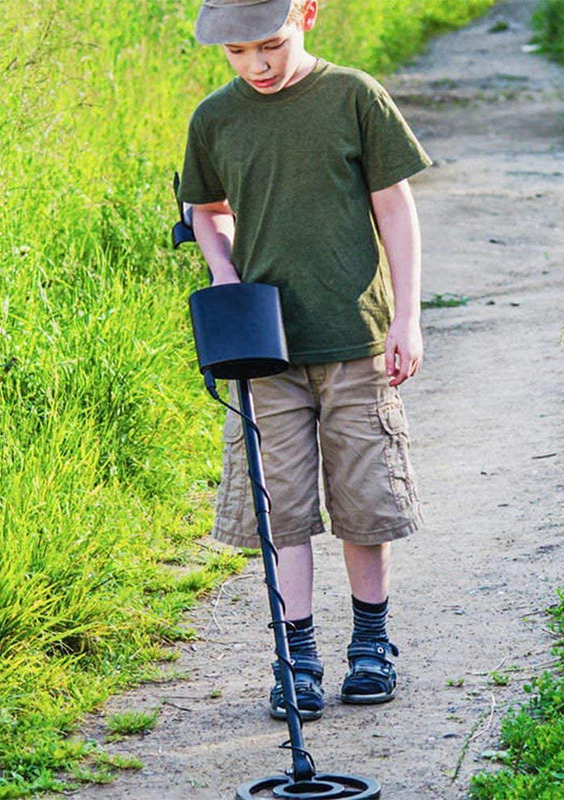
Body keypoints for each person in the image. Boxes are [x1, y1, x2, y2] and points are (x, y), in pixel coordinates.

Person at [178, 0, 431, 721]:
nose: (255, 64)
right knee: (281, 508)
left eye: (269, 44)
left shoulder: (354, 96)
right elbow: (207, 209)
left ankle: (371, 645)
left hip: (356, 339)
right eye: (237, 52)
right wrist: (225, 273)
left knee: (365, 501)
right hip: (264, 349)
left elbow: (395, 207)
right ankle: (298, 659)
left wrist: (407, 317)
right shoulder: (215, 118)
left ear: (307, 15)